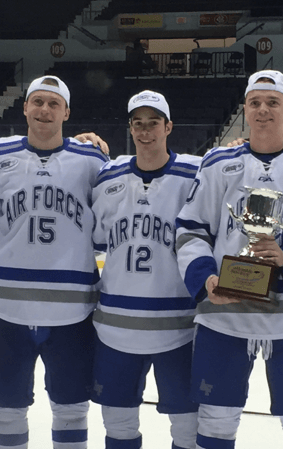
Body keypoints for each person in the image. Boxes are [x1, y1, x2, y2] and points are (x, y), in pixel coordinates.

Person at [175, 69, 283, 449]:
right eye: (255, 102)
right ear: (245, 110)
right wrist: (205, 280)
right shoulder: (217, 163)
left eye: (273, 103)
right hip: (225, 312)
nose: (263, 110)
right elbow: (189, 230)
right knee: (215, 419)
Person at [0, 75, 109, 449]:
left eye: (53, 103)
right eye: (38, 102)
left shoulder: (91, 160)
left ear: (67, 111)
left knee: (72, 408)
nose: (44, 110)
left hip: (73, 310)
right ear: (25, 107)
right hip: (6, 306)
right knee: (5, 410)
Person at [91, 90, 200, 449]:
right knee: (118, 424)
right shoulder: (109, 177)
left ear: (168, 127)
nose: (145, 131)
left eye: (153, 123)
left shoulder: (195, 174)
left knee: (186, 426)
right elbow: (94, 238)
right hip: (115, 328)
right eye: (138, 123)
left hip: (178, 328)